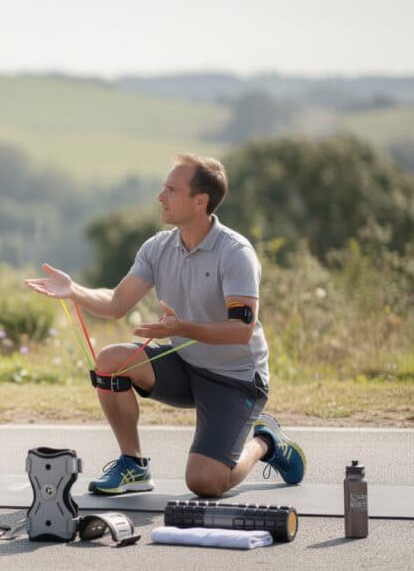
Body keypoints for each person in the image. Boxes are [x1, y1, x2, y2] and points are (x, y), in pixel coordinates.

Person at [24, 154, 304, 498]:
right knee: (110, 361)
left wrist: (180, 328)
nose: (161, 196)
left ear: (200, 201)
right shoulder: (158, 247)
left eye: (171, 190)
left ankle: (267, 442)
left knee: (205, 483)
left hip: (236, 380)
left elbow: (240, 331)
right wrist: (73, 291)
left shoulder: (236, 253)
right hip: (187, 367)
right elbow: (116, 303)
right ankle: (134, 465)